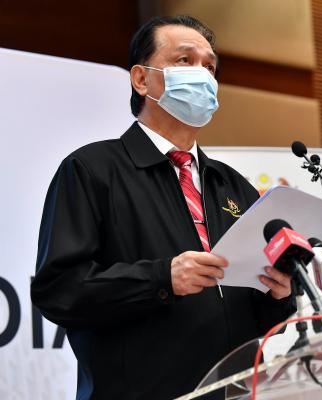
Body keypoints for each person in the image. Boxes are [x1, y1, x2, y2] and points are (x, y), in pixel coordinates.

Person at [31, 15, 293, 400]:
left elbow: (255, 315)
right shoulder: (92, 170)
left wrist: (278, 297)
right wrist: (161, 279)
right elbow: (60, 290)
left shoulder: (234, 185)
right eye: (185, 60)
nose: (202, 75)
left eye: (209, 67)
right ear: (141, 79)